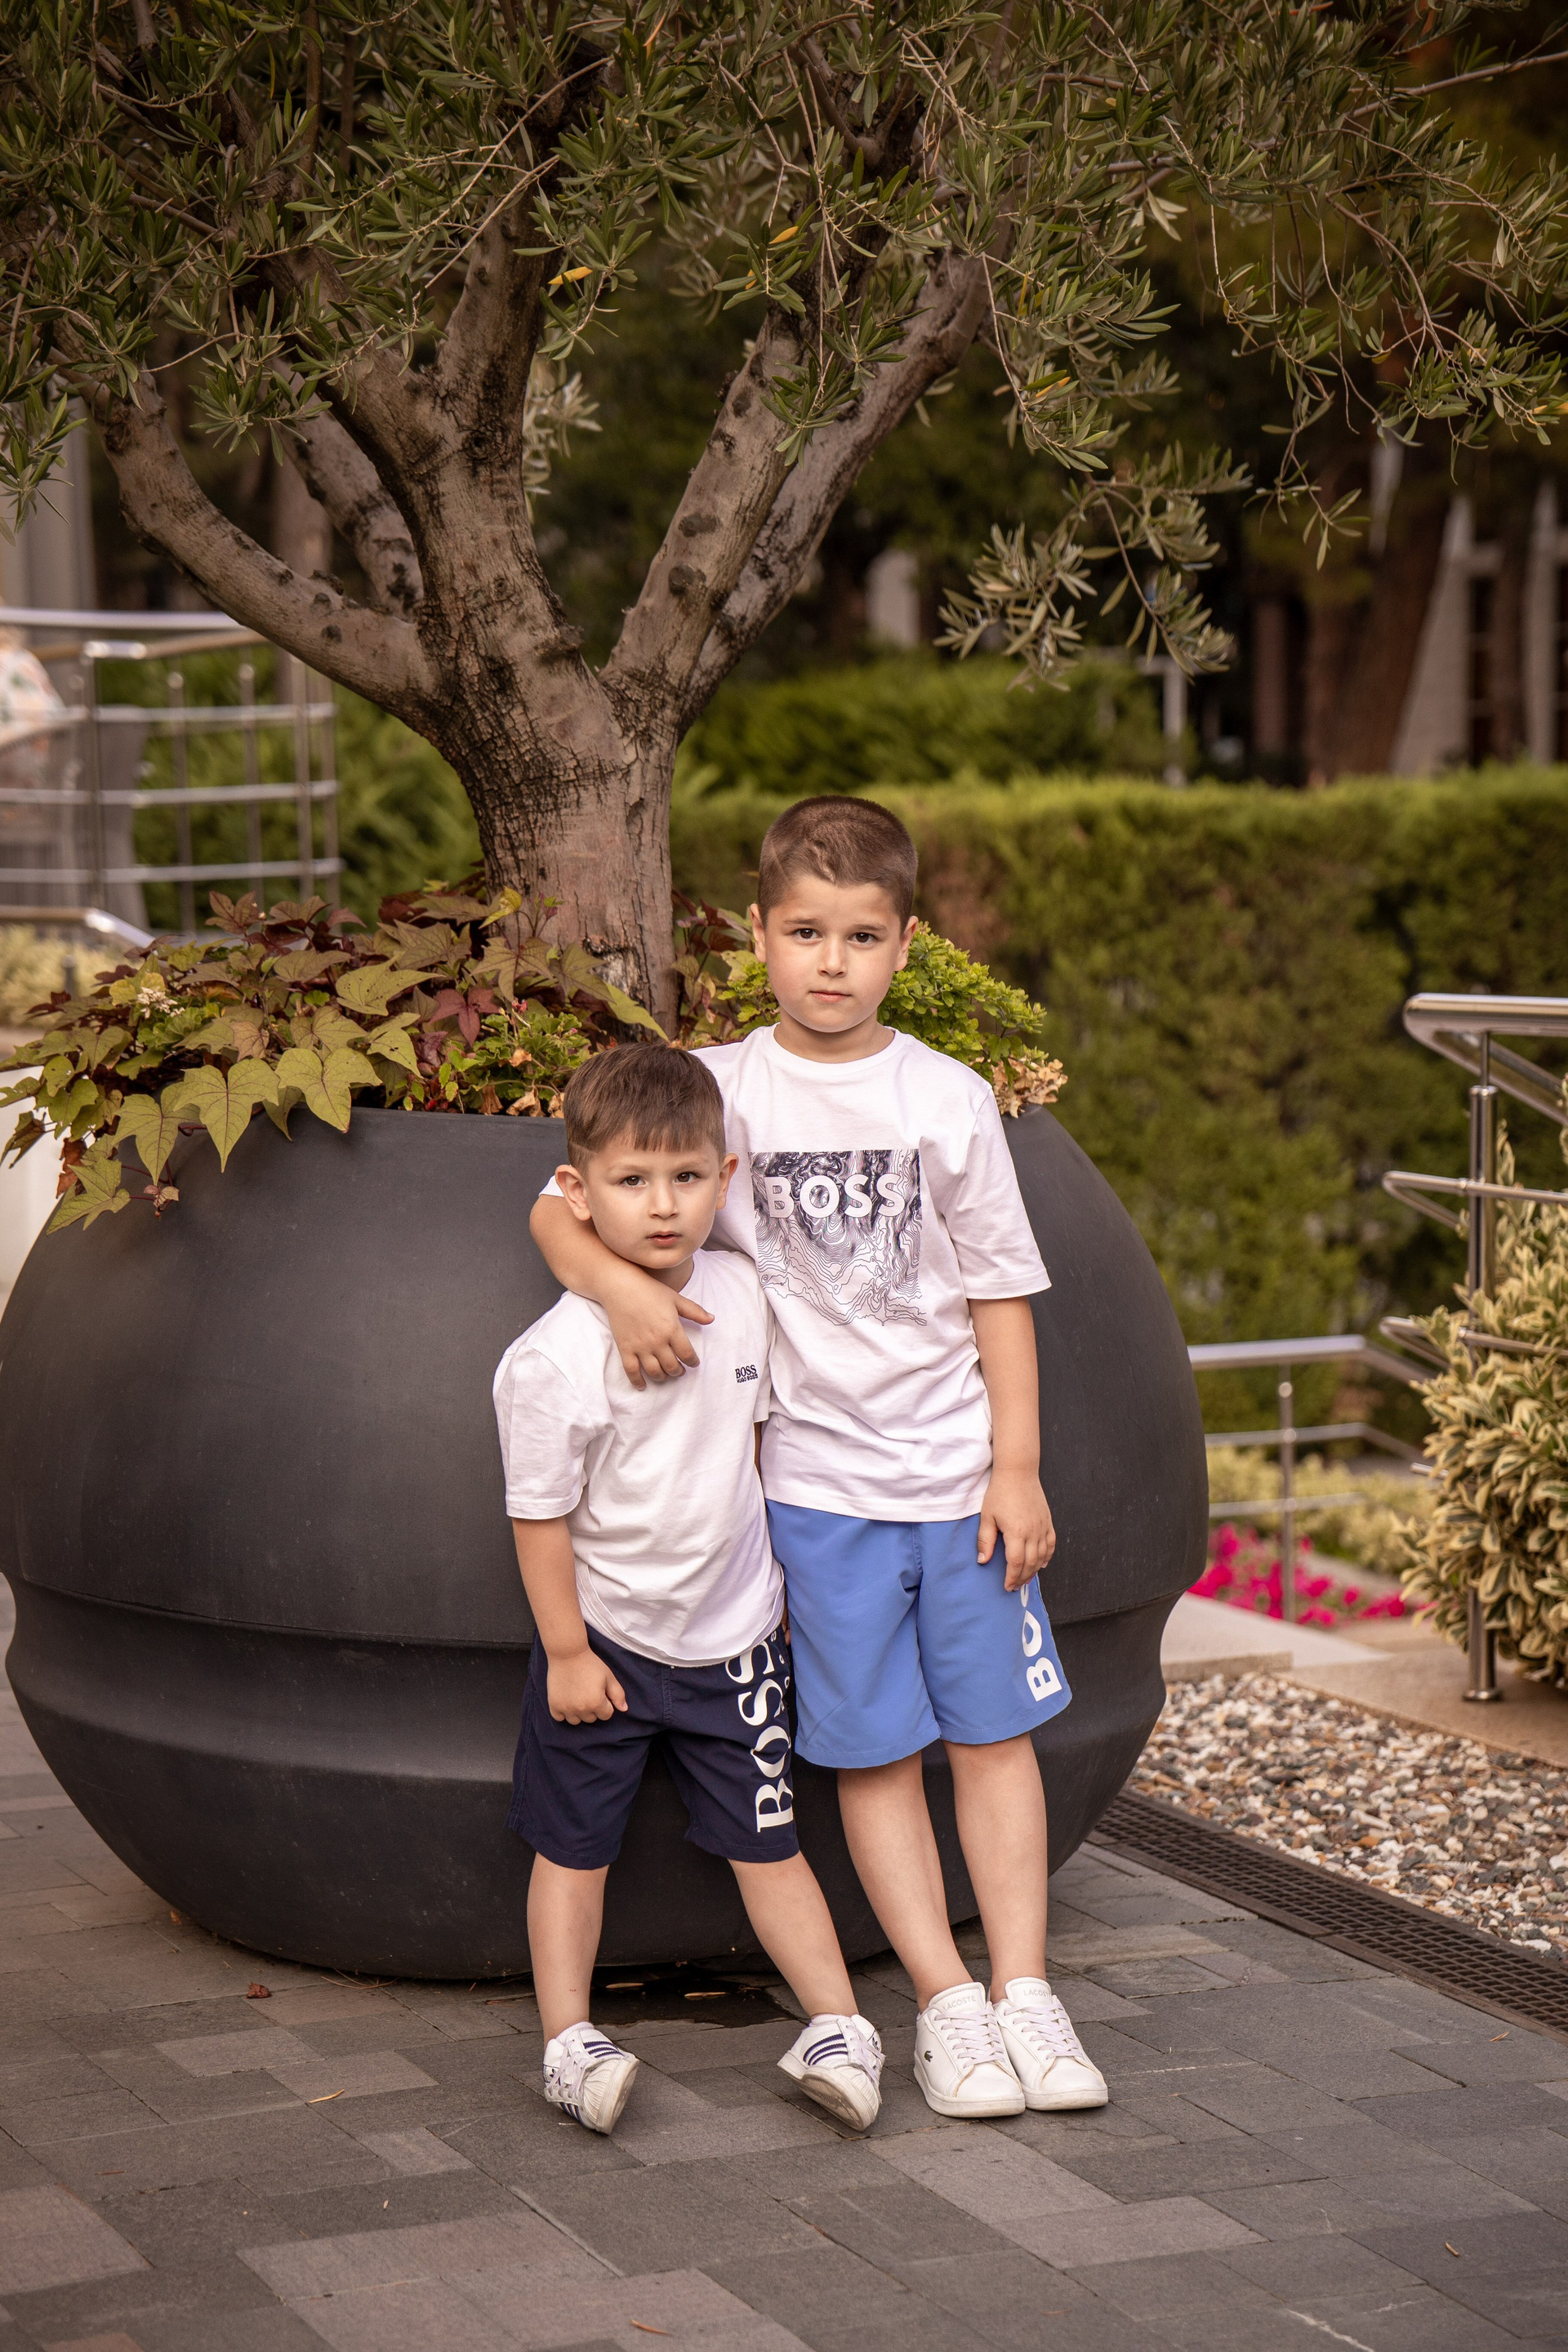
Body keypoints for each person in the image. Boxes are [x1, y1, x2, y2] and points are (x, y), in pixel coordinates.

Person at [531, 798, 1108, 2120]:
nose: (831, 962)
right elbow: (557, 1205)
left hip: (957, 1486)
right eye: (804, 933)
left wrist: (1016, 1466)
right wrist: (618, 1290)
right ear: (758, 935)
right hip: (813, 1496)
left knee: (996, 1740)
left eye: (859, 936)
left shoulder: (947, 1099)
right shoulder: (717, 1087)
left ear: (905, 944)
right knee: (874, 1754)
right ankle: (945, 2007)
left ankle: (1024, 1991)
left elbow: (1000, 1295)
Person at [494, 1043, 883, 2137]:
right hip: (608, 1646)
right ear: (577, 1191)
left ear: (726, 1178)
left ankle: (839, 2026)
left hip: (739, 1645)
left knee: (772, 1844)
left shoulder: (745, 1294)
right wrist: (567, 1653)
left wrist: (782, 1593)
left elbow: (755, 1452)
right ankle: (568, 2042)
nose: (663, 1205)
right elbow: (539, 1518)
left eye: (686, 1177)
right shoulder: (551, 1361)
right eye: (631, 1180)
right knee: (572, 1849)